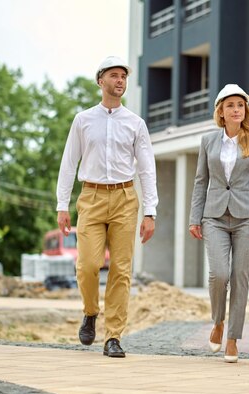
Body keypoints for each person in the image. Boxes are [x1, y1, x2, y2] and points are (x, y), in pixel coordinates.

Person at [56, 56, 158, 358]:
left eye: (123, 76)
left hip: (126, 199)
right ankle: (90, 311)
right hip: (91, 197)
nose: (120, 81)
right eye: (114, 76)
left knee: (121, 270)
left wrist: (150, 211)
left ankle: (113, 336)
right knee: (87, 266)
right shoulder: (83, 120)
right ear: (101, 81)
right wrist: (62, 205)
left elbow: (147, 169)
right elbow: (68, 163)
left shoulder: (135, 123)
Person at [188, 84, 249, 363]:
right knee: (219, 275)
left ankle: (233, 339)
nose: (236, 109)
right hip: (213, 215)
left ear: (245, 110)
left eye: (240, 105)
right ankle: (217, 321)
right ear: (221, 112)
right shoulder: (208, 141)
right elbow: (201, 180)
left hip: (247, 217)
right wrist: (194, 217)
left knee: (240, 277)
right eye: (230, 105)